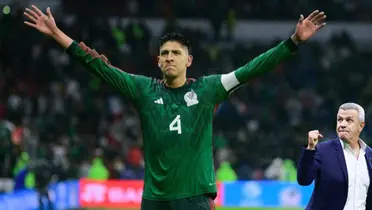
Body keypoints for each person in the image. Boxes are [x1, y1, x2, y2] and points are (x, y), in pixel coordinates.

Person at [23, 5, 326, 210]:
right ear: (157, 61)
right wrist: (58, 36)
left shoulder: (208, 89)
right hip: (154, 199)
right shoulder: (143, 89)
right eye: (164, 53)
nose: (169, 57)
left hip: (194, 198)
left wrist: (293, 42)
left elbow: (252, 69)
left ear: (188, 60)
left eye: (176, 53)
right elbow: (97, 65)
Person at [297, 103, 372, 210]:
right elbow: (304, 180)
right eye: (340, 119)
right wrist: (310, 149)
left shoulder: (369, 156)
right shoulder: (322, 151)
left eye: (349, 120)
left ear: (361, 126)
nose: (342, 124)